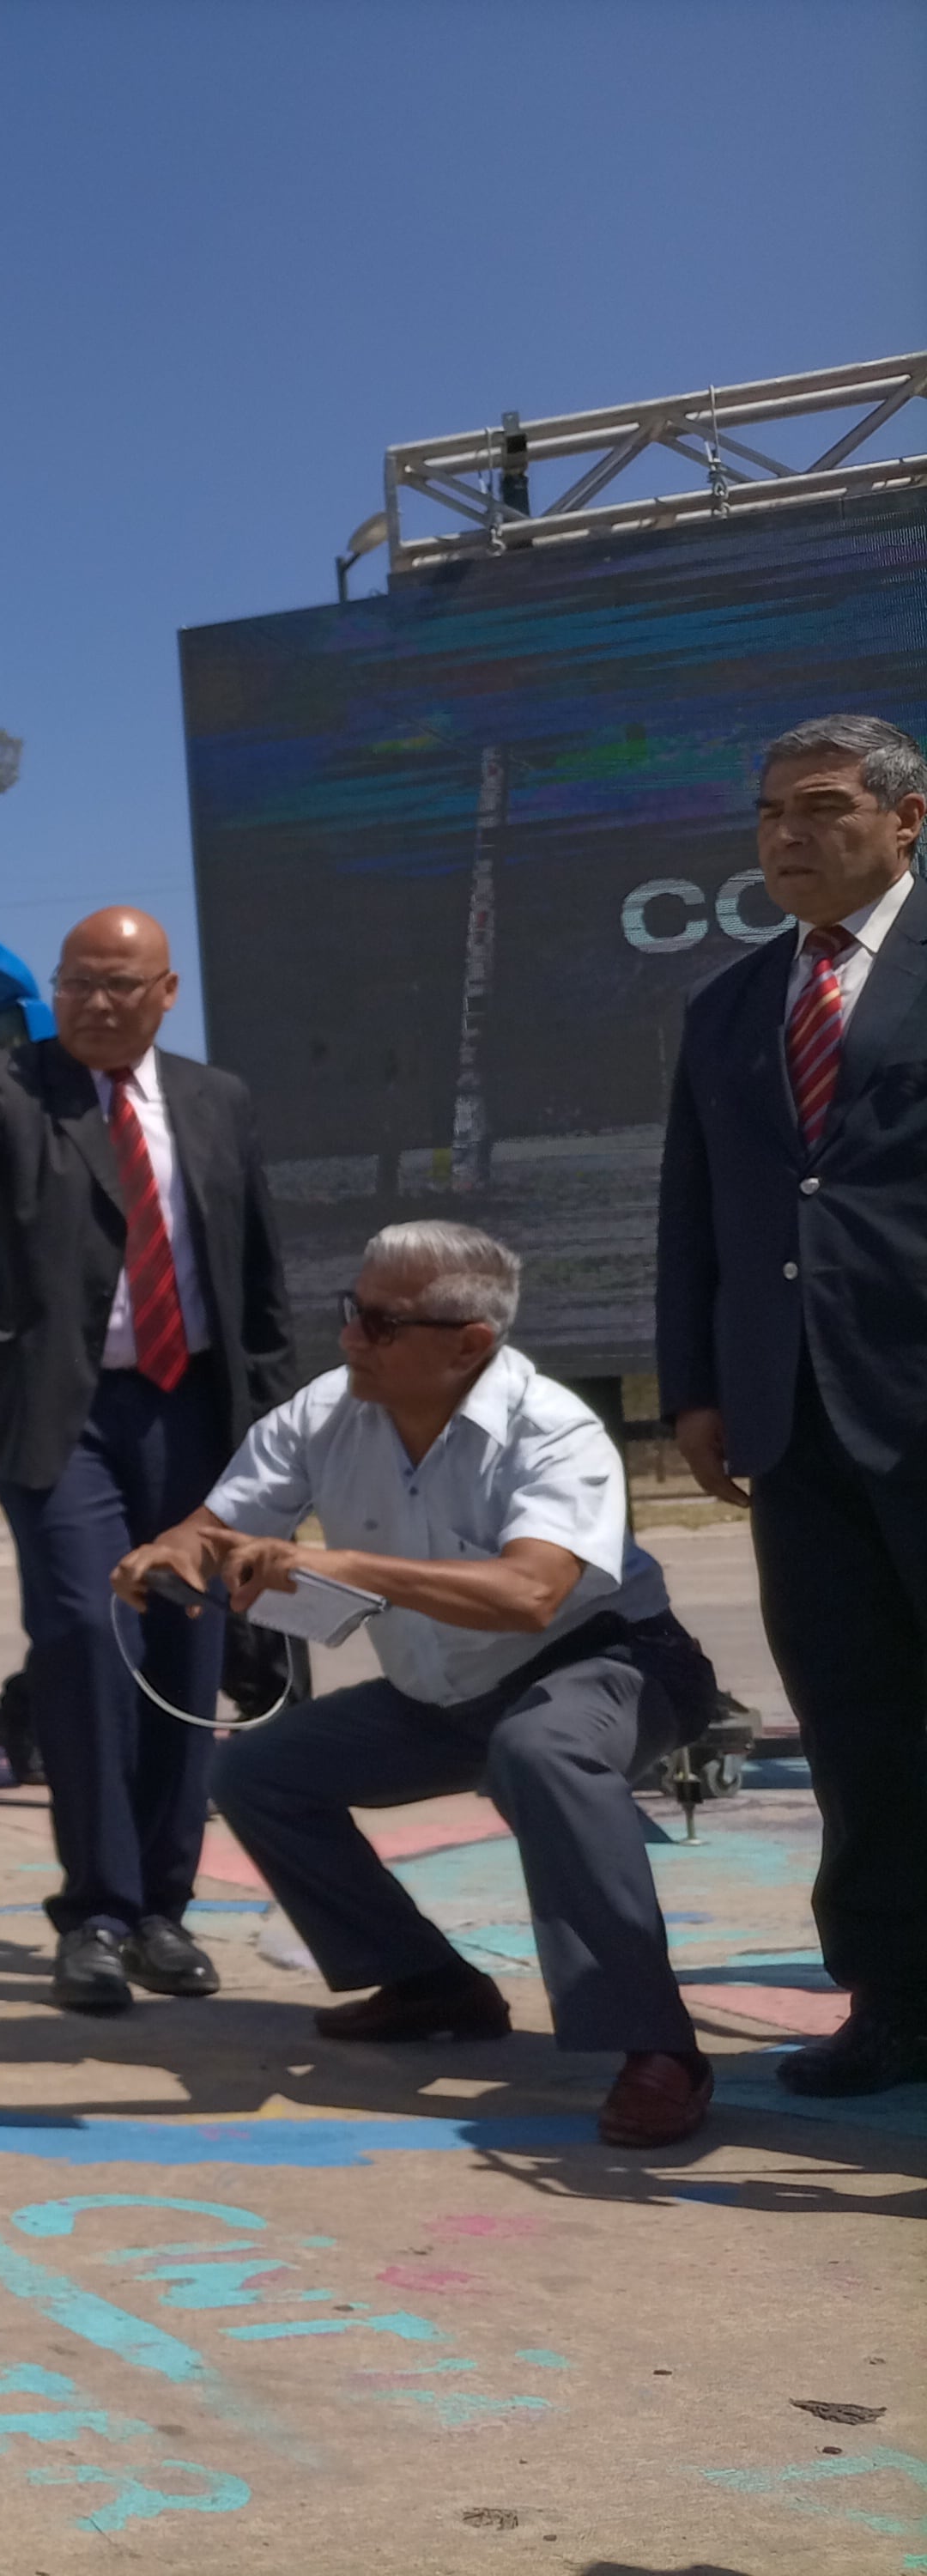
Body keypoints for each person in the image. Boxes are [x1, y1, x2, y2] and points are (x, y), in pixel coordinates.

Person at [130, 1222, 720, 2150]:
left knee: (540, 1747)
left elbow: (532, 1594)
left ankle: (657, 2048)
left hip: (609, 1663)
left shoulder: (553, 1429)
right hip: (442, 1695)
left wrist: (348, 1566)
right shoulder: (324, 1411)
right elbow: (214, 1525)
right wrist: (169, 1550)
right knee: (258, 1773)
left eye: (376, 1322)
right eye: (349, 1312)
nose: (350, 1337)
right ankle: (428, 1984)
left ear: (469, 1344)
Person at [0, 908, 297, 2011]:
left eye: (119, 986)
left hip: (195, 1419)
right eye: (75, 984)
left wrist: (278, 1444)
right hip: (60, 1420)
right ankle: (97, 1913)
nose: (94, 1004)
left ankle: (163, 1910)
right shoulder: (9, 1088)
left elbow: (258, 1279)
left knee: (187, 1654)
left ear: (166, 994)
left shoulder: (218, 1102)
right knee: (81, 1631)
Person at [657, 712, 927, 2099]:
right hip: (795, 1424)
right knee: (856, 1722)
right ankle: (891, 2000)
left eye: (821, 808)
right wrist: (694, 1391)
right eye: (769, 814)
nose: (788, 836)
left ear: (907, 820)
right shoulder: (727, 1006)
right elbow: (695, 1216)